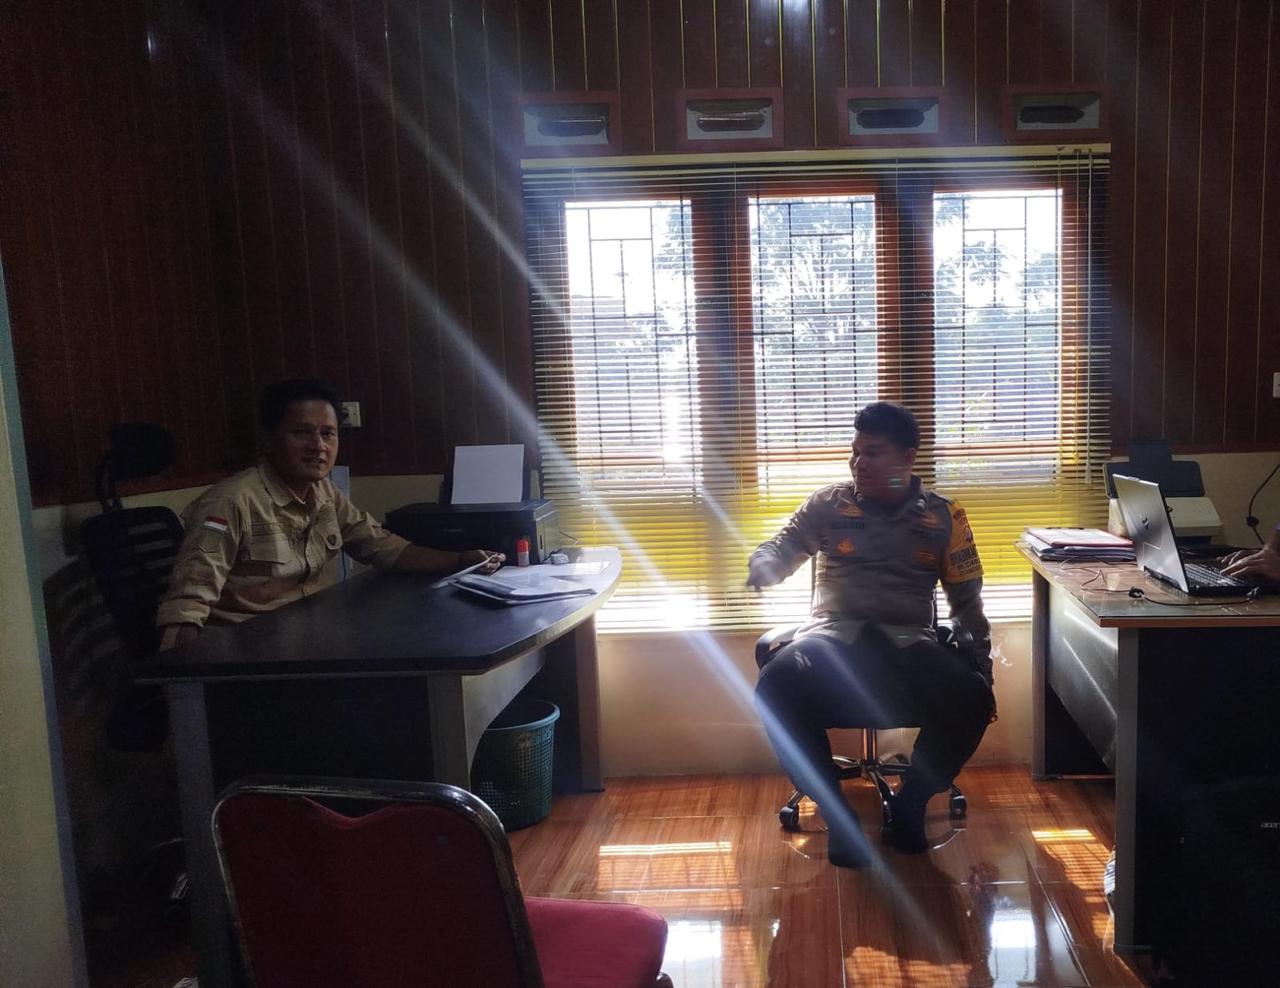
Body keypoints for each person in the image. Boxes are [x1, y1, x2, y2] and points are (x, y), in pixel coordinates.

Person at [748, 401, 994, 868]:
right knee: (775, 685)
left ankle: (911, 803)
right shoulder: (828, 504)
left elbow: (967, 604)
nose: (858, 463)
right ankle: (837, 814)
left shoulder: (946, 516)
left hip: (909, 645)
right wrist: (765, 564)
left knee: (973, 697)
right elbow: (784, 545)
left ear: (907, 458)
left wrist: (983, 670)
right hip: (830, 642)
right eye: (855, 451)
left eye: (873, 453)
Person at [156, 378, 502, 649]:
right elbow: (187, 606)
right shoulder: (230, 502)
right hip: (251, 656)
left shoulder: (324, 493)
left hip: (314, 641)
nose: (318, 446)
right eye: (301, 433)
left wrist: (461, 560)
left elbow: (382, 547)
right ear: (268, 440)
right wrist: (187, 694)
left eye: (328, 434)